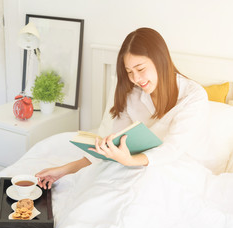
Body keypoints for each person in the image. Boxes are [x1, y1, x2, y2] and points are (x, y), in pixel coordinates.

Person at [36, 27, 209, 190]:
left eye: (140, 69)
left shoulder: (193, 96)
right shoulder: (131, 92)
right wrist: (63, 170)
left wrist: (130, 161)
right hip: (134, 166)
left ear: (160, 60)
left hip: (177, 169)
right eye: (129, 71)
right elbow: (114, 147)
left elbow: (172, 150)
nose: (136, 78)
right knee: (101, 186)